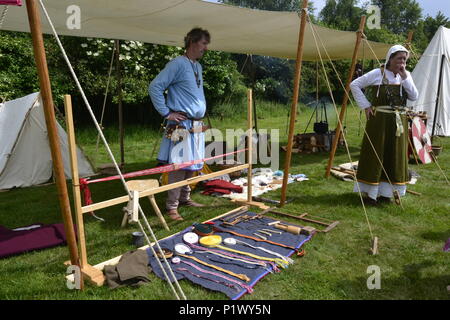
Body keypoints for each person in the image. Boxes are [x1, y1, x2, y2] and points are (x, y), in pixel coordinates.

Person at [149, 28, 210, 220]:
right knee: (179, 166)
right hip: (181, 125)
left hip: (196, 126)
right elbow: (155, 86)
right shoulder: (177, 63)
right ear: (192, 42)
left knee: (193, 164)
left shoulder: (197, 66)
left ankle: (185, 198)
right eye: (203, 43)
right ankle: (172, 206)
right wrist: (167, 112)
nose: (206, 48)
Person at [350, 45, 419, 205]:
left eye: (404, 59)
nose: (402, 62)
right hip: (379, 121)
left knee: (394, 155)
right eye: (399, 58)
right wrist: (366, 106)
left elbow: (414, 96)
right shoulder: (377, 73)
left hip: (397, 123)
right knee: (376, 153)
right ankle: (371, 194)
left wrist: (405, 78)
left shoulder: (405, 75)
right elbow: (354, 85)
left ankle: (386, 193)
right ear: (390, 59)